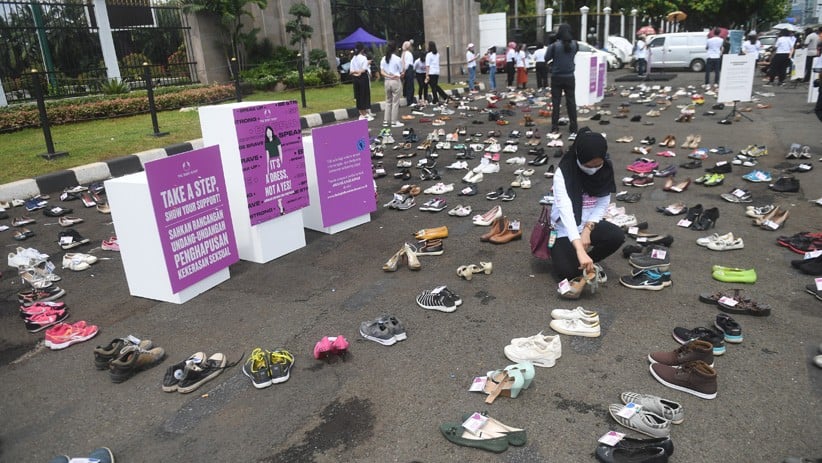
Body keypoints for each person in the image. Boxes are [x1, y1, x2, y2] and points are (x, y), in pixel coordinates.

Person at [549, 128, 623, 284]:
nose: (594, 169)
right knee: (567, 272)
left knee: (616, 236)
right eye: (589, 166)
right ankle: (575, 257)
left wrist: (587, 230)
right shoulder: (564, 173)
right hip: (564, 227)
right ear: (579, 158)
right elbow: (566, 212)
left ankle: (588, 262)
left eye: (598, 165)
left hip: (588, 222)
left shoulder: (605, 169)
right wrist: (579, 249)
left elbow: (603, 201)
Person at [546, 23, 579, 136]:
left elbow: (546, 58)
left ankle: (555, 127)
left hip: (556, 77)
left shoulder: (554, 46)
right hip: (570, 77)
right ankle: (574, 127)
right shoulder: (575, 44)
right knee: (571, 102)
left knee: (556, 103)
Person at [380, 40, 403, 127]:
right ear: (395, 49)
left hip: (387, 81)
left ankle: (386, 121)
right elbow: (401, 71)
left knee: (388, 101)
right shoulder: (397, 59)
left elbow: (382, 72)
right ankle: (394, 121)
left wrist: (388, 76)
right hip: (395, 80)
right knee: (395, 102)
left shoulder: (383, 58)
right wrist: (394, 76)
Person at [350, 43, 372, 121]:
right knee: (364, 95)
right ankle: (365, 114)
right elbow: (364, 69)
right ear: (362, 49)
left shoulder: (353, 58)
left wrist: (356, 72)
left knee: (358, 95)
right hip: (363, 78)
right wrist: (359, 72)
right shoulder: (363, 58)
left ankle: (361, 113)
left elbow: (351, 71)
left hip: (355, 78)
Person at [401, 41, 415, 106]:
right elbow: (407, 64)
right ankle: (410, 101)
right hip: (408, 70)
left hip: (407, 70)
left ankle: (408, 98)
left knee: (407, 85)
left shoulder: (404, 53)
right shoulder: (408, 54)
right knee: (410, 86)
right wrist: (405, 71)